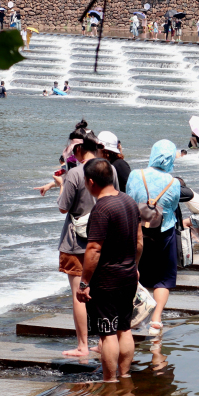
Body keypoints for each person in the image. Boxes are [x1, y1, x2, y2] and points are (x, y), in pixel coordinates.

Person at [76, 158, 141, 382]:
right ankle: (124, 375)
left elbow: (93, 249)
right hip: (129, 273)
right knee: (124, 327)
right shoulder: (129, 201)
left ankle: (110, 379)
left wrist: (84, 282)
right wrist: (135, 266)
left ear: (91, 181)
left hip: (107, 279)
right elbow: (139, 241)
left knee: (108, 332)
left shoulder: (101, 209)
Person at [126, 140, 182, 336]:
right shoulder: (173, 183)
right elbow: (173, 208)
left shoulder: (135, 174)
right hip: (163, 232)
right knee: (163, 279)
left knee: (133, 271)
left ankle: (131, 315)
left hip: (136, 230)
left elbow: (129, 199)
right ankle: (156, 320)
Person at [57, 131, 101, 357]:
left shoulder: (75, 173)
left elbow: (63, 207)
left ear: (77, 151)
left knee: (79, 293)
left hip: (77, 242)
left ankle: (83, 345)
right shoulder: (108, 168)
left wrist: (60, 183)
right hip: (102, 238)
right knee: (100, 291)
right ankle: (104, 340)